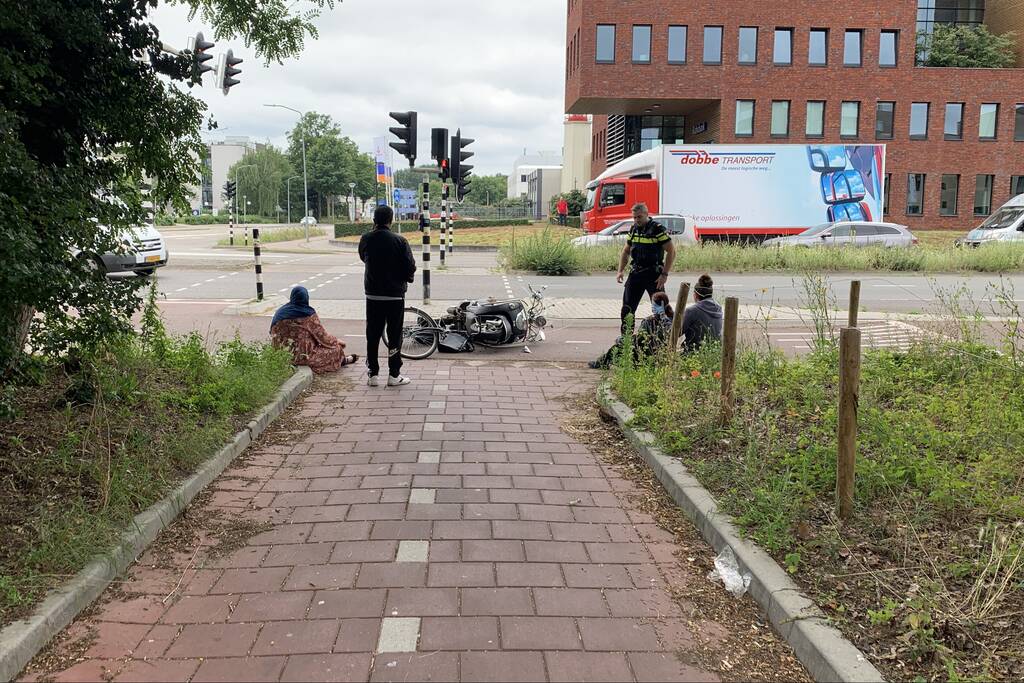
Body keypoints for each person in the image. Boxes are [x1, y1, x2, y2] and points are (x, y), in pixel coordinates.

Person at [359, 204, 417, 387]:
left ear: (374, 220)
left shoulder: (366, 239)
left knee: (373, 334)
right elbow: (410, 266)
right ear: (391, 221)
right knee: (394, 335)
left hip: (373, 295)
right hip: (394, 296)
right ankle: (394, 374)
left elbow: (363, 257)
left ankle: (373, 374)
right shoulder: (400, 241)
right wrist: (405, 277)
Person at [617, 203, 676, 334]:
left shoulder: (657, 229)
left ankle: (663, 337)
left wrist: (664, 274)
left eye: (639, 217)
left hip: (654, 275)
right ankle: (626, 339)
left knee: (660, 310)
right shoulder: (633, 229)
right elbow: (626, 251)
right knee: (627, 309)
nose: (636, 220)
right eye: (634, 217)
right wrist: (620, 270)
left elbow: (671, 251)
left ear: (646, 214)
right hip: (636, 273)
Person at [271, 286, 356, 374]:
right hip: (303, 357)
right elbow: (323, 337)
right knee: (337, 349)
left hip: (281, 355)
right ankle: (343, 360)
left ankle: (342, 360)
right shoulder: (308, 315)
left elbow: (271, 332)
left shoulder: (280, 313)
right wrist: (336, 341)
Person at [589, 291, 674, 368]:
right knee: (620, 345)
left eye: (654, 305)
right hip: (655, 352)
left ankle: (602, 363)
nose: (652, 307)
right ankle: (602, 362)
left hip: (648, 354)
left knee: (618, 347)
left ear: (661, 306)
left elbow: (640, 339)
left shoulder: (653, 321)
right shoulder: (671, 318)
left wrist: (624, 340)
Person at [681, 274, 723, 354]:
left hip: (693, 353)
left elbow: (677, 332)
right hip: (714, 352)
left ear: (695, 295)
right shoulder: (719, 308)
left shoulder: (692, 311)